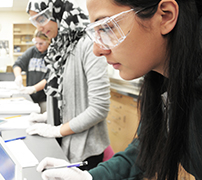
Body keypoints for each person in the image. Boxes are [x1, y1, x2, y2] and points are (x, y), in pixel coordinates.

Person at [35, 0, 202, 179]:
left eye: (106, 27)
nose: (97, 50)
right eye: (95, 32)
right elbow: (146, 148)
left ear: (165, 16)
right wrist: (91, 177)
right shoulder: (162, 80)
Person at [25, 0, 111, 170]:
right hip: (61, 142)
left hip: (85, 149)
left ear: (57, 11)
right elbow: (64, 96)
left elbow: (99, 108)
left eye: (41, 19)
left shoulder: (89, 44)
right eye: (34, 21)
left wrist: (57, 130)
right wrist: (47, 116)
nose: (39, 27)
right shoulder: (58, 46)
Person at [13, 30, 50, 113]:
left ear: (48, 41)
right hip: (31, 97)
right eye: (36, 43)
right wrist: (18, 76)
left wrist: (34, 88)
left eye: (41, 43)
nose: (38, 46)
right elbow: (18, 64)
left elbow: (50, 78)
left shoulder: (51, 54)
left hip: (45, 98)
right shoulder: (32, 51)